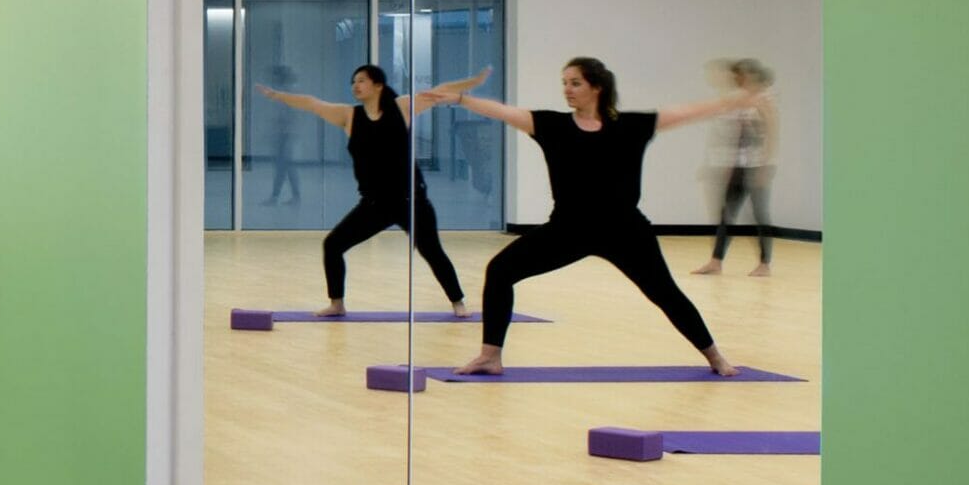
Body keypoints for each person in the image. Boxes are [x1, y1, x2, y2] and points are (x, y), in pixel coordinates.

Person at [424, 57, 758, 376]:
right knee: (500, 271)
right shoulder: (551, 125)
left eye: (575, 83)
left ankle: (715, 356)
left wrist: (732, 101)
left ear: (596, 87)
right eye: (564, 83)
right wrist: (460, 98)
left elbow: (686, 112)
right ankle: (490, 356)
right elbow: (503, 112)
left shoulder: (631, 126)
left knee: (665, 293)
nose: (567, 89)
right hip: (568, 229)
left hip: (625, 230)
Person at [256, 64, 493, 315]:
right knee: (333, 245)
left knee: (431, 251)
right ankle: (337, 303)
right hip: (373, 204)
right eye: (353, 81)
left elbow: (439, 92)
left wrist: (473, 82)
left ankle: (458, 302)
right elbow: (312, 103)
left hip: (410, 200)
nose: (355, 86)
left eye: (362, 81)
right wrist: (276, 95)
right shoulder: (349, 116)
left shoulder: (401, 108)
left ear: (378, 85)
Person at [692, 58, 778, 278]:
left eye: (740, 75)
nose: (737, 79)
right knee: (726, 214)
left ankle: (764, 263)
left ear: (749, 75)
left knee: (759, 214)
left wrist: (765, 166)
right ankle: (715, 261)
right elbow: (730, 135)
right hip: (737, 166)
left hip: (757, 165)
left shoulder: (764, 99)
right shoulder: (739, 101)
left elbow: (772, 133)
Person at [261, 65, 303, 206]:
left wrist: (285, 133)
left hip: (286, 135)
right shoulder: (281, 92)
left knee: (284, 166)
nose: (273, 79)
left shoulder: (289, 92)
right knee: (284, 166)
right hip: (282, 134)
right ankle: (287, 196)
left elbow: (290, 116)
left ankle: (277, 197)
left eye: (276, 76)